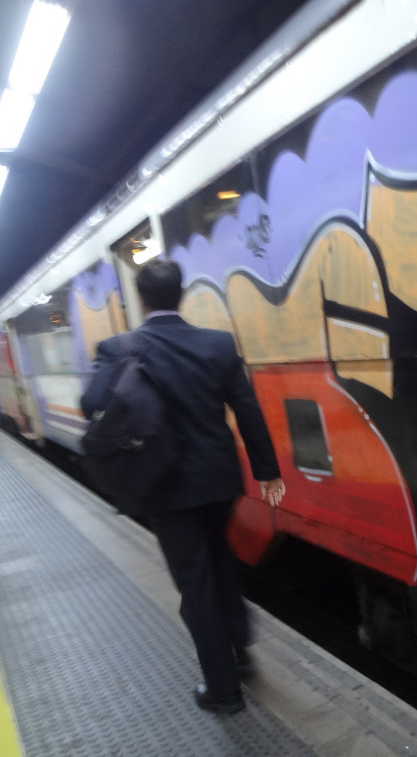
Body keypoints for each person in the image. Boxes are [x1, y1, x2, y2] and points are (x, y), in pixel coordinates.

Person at [81, 259, 285, 714]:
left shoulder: (118, 347)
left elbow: (91, 403)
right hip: (219, 479)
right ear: (182, 294)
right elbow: (247, 409)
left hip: (164, 484)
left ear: (141, 299)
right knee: (220, 557)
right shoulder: (217, 344)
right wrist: (268, 471)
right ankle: (240, 649)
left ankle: (224, 691)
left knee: (195, 584)